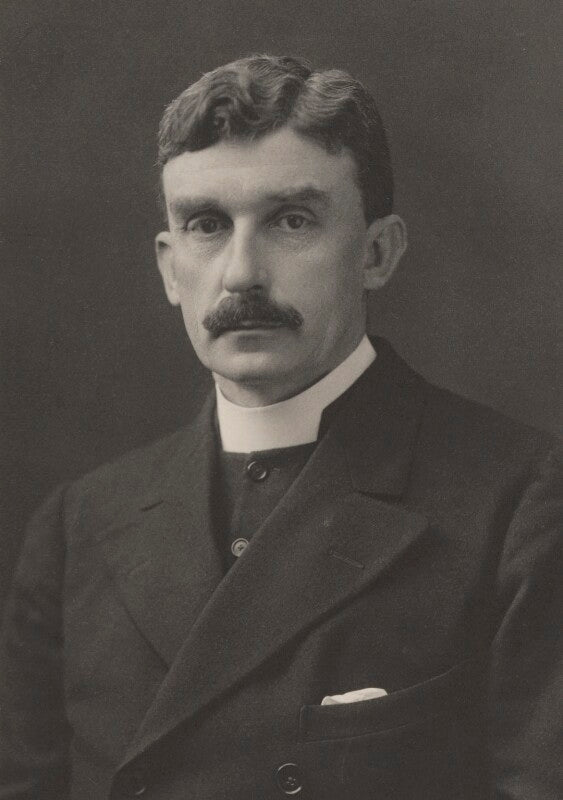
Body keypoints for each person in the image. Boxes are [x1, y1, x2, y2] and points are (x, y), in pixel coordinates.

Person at [0, 54, 561, 800]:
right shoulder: (78, 527)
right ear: (169, 269)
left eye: (291, 221)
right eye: (206, 225)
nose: (241, 274)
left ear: (376, 252)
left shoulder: (519, 503)